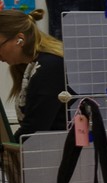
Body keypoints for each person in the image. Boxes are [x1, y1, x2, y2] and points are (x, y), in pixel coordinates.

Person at [0, 9, 68, 138]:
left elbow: (34, 128)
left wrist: (8, 146)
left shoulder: (50, 66)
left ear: (20, 39)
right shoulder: (31, 66)